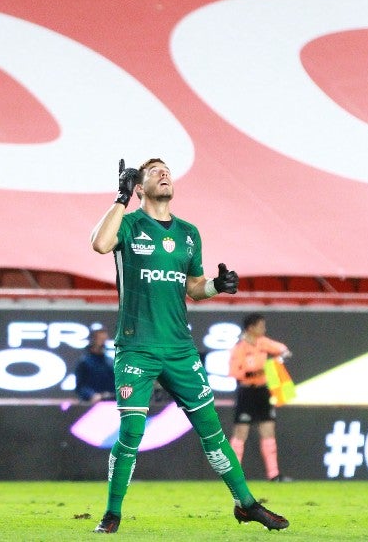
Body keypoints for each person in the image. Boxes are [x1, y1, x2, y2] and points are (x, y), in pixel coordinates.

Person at [89, 158, 289, 534]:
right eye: (154, 171)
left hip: (180, 349)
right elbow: (100, 244)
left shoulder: (188, 233)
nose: (164, 174)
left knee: (212, 431)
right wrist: (120, 197)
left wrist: (217, 285)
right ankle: (112, 512)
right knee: (131, 431)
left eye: (167, 171)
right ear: (140, 186)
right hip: (137, 348)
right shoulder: (129, 224)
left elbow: (194, 288)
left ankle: (246, 504)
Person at [228, 313, 293, 482]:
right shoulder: (239, 348)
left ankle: (274, 475)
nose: (264, 329)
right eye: (261, 326)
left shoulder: (263, 343)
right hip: (247, 391)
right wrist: (253, 371)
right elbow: (234, 372)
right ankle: (233, 475)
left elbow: (284, 350)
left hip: (263, 390)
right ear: (251, 328)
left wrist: (278, 360)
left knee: (268, 431)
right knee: (241, 432)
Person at [74, 328, 116, 403]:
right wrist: (91, 395)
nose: (103, 343)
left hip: (110, 403)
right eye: (100, 339)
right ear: (93, 340)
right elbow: (81, 387)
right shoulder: (84, 362)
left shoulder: (110, 362)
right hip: (91, 404)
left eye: (105, 340)